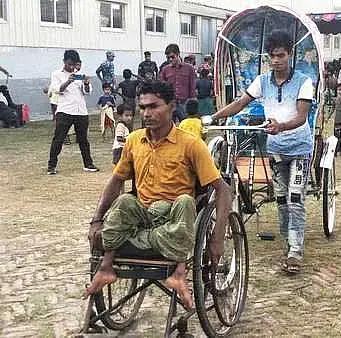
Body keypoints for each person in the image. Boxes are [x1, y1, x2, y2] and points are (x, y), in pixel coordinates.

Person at [85, 80, 232, 310]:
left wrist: (218, 237)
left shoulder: (191, 144)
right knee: (124, 201)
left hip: (174, 218)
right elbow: (116, 181)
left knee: (184, 201)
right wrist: (97, 219)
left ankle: (179, 273)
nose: (146, 113)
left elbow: (223, 190)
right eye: (142, 108)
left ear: (172, 105)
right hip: (142, 215)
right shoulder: (134, 140)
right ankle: (106, 267)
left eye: (154, 106)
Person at [212, 30, 314, 273]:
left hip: (300, 148)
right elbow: (239, 104)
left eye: (280, 55)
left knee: (296, 197)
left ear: (289, 54)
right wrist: (213, 117)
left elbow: (301, 117)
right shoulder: (262, 81)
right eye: (272, 56)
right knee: (280, 199)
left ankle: (295, 251)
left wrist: (281, 126)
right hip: (276, 149)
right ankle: (288, 238)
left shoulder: (304, 82)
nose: (276, 60)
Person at [47, 50, 99, 175]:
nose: (71, 67)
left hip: (81, 111)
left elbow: (87, 92)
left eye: (73, 65)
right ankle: (51, 166)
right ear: (64, 61)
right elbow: (57, 90)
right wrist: (68, 81)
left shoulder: (80, 74)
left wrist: (86, 83)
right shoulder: (56, 74)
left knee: (83, 140)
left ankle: (88, 164)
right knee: (58, 139)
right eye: (69, 64)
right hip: (64, 110)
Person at [159, 44, 197, 123]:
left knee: (186, 126)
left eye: (172, 57)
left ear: (178, 54)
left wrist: (192, 103)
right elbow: (162, 87)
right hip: (170, 104)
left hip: (184, 103)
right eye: (168, 57)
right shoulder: (165, 69)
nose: (170, 59)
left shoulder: (189, 68)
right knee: (168, 128)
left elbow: (192, 87)